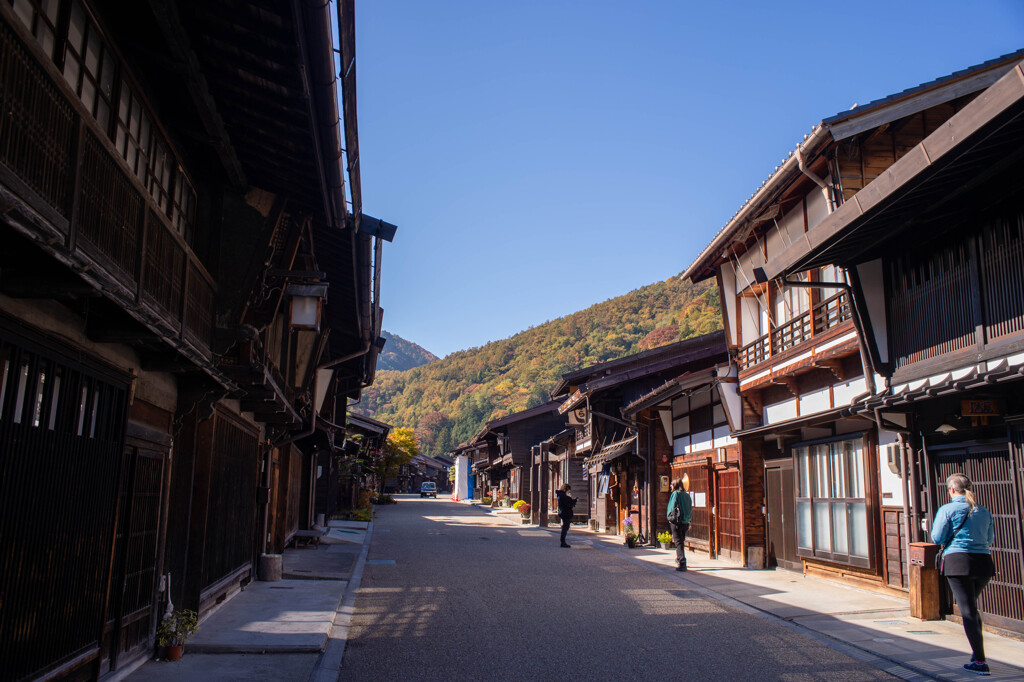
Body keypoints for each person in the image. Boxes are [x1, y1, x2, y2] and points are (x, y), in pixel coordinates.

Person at [931, 473, 996, 676]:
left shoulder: (947, 510)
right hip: (983, 563)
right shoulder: (983, 511)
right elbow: (990, 538)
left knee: (968, 611)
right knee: (971, 609)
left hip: (958, 562)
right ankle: (976, 653)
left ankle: (979, 660)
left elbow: (937, 537)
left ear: (951, 490)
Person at [667, 479, 692, 571]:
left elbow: (672, 507)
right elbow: (690, 509)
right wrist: (689, 521)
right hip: (685, 521)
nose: (670, 486)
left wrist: (670, 517)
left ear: (675, 485)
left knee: (678, 542)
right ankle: (679, 558)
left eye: (671, 484)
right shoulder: (687, 495)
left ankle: (682, 562)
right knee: (681, 541)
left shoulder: (675, 494)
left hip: (676, 521)